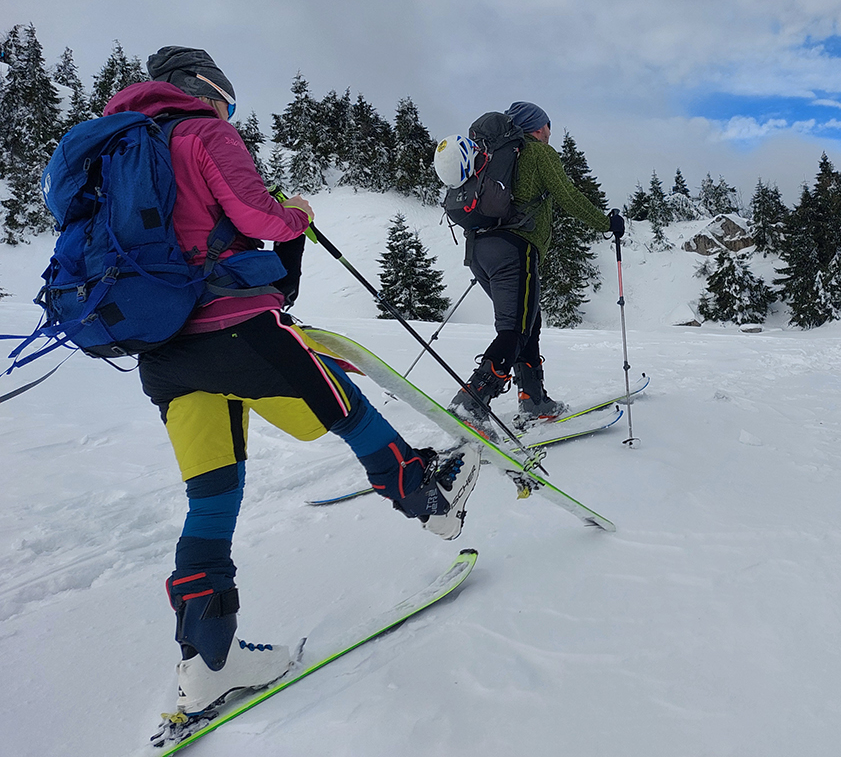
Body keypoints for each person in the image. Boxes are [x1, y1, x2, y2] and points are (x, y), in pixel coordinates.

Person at [108, 47, 480, 722]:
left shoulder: (113, 152)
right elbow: (261, 221)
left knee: (211, 495)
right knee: (347, 408)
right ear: (207, 90)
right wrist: (295, 215)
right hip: (236, 328)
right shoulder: (202, 132)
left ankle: (208, 664)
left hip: (161, 352)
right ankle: (428, 498)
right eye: (228, 102)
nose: (229, 114)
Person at [442, 101, 624, 425]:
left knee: (527, 325)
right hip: (515, 249)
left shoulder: (493, 156)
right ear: (539, 127)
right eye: (548, 126)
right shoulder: (538, 153)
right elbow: (568, 197)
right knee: (515, 330)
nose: (550, 133)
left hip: (479, 251)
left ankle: (533, 399)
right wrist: (607, 223)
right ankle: (471, 402)